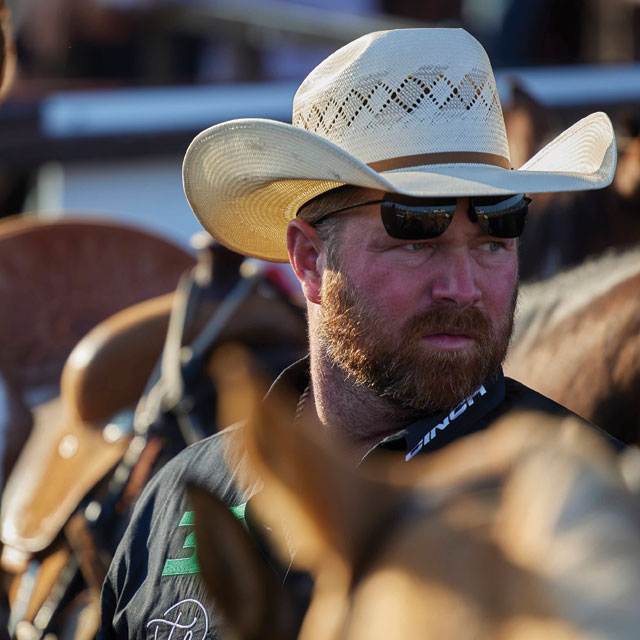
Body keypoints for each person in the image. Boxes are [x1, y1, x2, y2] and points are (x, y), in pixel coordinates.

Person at [99, 28, 620, 639]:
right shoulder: (177, 500)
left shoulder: (597, 514)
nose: (462, 285)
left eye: (493, 242)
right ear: (309, 260)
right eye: (415, 240)